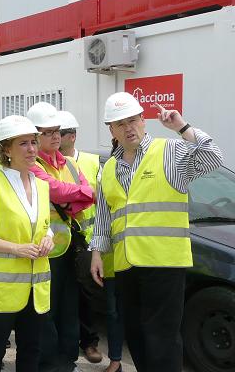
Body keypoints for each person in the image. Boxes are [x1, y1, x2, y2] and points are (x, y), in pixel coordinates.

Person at [90, 92, 223, 372]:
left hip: (164, 263)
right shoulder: (109, 168)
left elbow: (212, 159)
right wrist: (97, 252)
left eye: (134, 120)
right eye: (120, 123)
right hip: (127, 264)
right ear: (111, 129)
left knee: (161, 338)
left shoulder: (169, 151)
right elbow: (105, 214)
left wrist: (182, 127)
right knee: (137, 337)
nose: (129, 128)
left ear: (143, 121)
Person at [0, 115, 54, 372]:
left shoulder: (42, 185)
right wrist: (15, 248)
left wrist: (48, 239)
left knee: (31, 350)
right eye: (23, 143)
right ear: (6, 149)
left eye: (33, 142)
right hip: (2, 291)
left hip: (35, 287)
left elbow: (45, 226)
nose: (31, 149)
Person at [26, 103, 94, 372]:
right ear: (35, 136)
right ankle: (48, 364)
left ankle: (68, 361)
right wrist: (72, 196)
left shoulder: (71, 164)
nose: (56, 136)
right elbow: (53, 190)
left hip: (70, 251)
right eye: (49, 132)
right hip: (45, 251)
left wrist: (71, 198)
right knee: (46, 311)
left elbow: (83, 195)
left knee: (70, 308)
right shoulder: (32, 164)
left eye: (59, 131)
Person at [58, 110, 121, 372]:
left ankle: (90, 343)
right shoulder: (51, 163)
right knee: (69, 297)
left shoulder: (94, 161)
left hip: (93, 239)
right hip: (68, 239)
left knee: (89, 297)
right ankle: (71, 347)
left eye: (57, 133)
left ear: (71, 136)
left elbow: (104, 197)